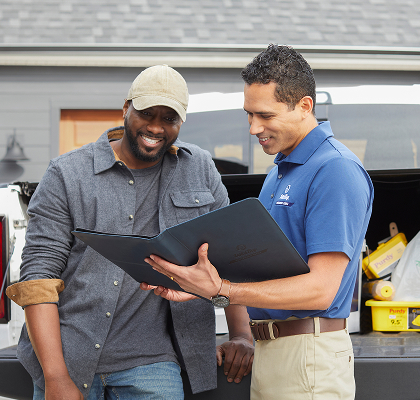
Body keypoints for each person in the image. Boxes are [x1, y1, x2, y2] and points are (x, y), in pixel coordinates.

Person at [5, 65, 254, 400]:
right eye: (146, 113)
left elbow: (227, 256)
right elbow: (38, 279)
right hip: (69, 355)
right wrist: (56, 377)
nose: (155, 126)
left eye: (169, 118)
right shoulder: (67, 174)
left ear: (181, 123)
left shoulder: (199, 169)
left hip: (152, 362)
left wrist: (241, 333)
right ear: (126, 108)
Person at [143, 45, 374, 399]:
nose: (254, 128)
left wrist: (223, 290)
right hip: (271, 352)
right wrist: (198, 286)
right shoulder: (279, 172)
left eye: (265, 115)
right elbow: (260, 272)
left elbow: (321, 289)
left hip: (308, 356)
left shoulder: (335, 169)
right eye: (249, 115)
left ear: (304, 106)